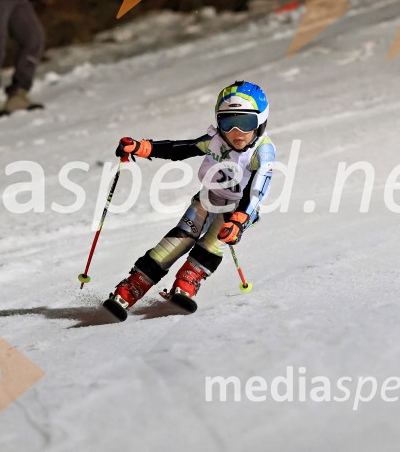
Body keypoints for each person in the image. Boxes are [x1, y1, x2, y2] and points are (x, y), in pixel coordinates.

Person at [105, 81, 276, 319]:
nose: (236, 132)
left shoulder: (262, 152)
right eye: (228, 122)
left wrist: (239, 219)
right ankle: (132, 286)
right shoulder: (216, 139)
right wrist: (143, 147)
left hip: (239, 207)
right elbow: (181, 148)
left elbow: (257, 190)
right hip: (210, 196)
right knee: (181, 237)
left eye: (246, 123)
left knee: (214, 242)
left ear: (260, 122)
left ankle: (188, 280)